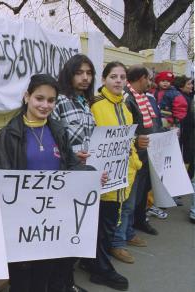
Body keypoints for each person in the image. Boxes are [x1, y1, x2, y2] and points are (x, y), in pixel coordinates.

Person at [0, 74, 102, 292]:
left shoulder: (59, 131)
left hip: (52, 224)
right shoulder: (8, 135)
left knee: (47, 277)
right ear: (27, 97)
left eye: (51, 100)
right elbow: (1, 179)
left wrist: (91, 175)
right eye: (39, 98)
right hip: (22, 226)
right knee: (23, 282)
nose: (45, 105)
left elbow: (71, 166)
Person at [81, 61, 142, 291]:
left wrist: (134, 162)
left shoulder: (125, 108)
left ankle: (94, 263)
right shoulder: (95, 105)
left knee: (106, 223)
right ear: (104, 79)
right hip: (101, 178)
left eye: (122, 77)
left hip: (121, 177)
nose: (118, 81)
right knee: (101, 225)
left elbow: (129, 141)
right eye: (113, 76)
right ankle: (101, 270)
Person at [50, 54, 97, 292]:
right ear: (69, 74)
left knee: (76, 233)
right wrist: (70, 155)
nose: (85, 78)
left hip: (83, 176)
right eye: (80, 73)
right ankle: (61, 285)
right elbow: (51, 141)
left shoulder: (85, 102)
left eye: (89, 73)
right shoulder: (57, 101)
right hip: (65, 177)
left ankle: (67, 283)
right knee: (63, 235)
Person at [109, 65, 159, 265]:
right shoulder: (128, 99)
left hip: (139, 158)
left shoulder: (141, 97)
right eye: (114, 77)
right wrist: (137, 139)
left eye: (122, 77)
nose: (151, 82)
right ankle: (117, 242)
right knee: (126, 203)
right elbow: (124, 130)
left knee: (134, 200)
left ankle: (128, 233)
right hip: (130, 158)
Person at [173, 75, 195, 223]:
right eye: (189, 84)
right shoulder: (181, 97)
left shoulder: (187, 97)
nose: (191, 86)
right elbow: (185, 118)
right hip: (185, 137)